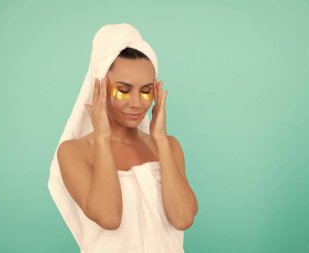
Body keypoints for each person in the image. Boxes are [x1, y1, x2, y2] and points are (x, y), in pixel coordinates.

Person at [48, 23, 198, 253]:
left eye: (146, 90)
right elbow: (109, 217)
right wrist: (102, 139)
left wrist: (161, 141)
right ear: (99, 86)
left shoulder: (169, 146)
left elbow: (183, 218)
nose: (137, 103)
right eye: (124, 90)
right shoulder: (74, 152)